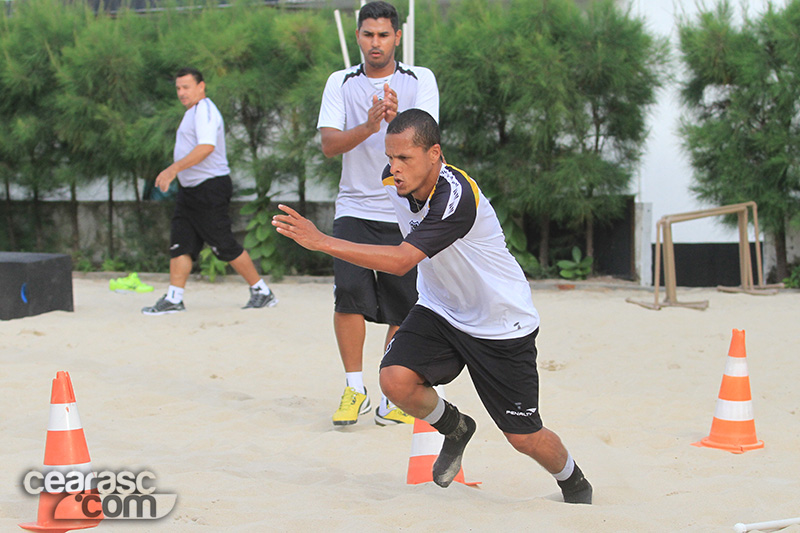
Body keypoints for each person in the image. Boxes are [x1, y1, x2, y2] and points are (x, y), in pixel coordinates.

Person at [273, 109, 592, 503]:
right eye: (390, 157)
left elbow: (402, 260)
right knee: (395, 381)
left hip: (500, 322)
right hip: (441, 308)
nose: (394, 168)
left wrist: (322, 241)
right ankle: (456, 427)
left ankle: (575, 482)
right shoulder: (393, 183)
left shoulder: (456, 198)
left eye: (405, 158)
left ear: (435, 153)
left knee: (524, 438)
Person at [317, 1, 439, 426]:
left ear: (397, 37)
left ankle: (390, 397)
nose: (375, 42)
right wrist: (369, 126)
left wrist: (394, 121)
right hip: (354, 205)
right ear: (357, 37)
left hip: (404, 210)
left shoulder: (420, 79)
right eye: (368, 34)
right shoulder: (341, 82)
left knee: (404, 306)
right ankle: (355, 388)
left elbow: (426, 145)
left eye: (383, 35)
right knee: (348, 294)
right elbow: (329, 145)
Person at [142, 67, 277, 315]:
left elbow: (206, 147)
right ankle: (174, 298)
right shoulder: (192, 112)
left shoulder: (204, 110)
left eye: (186, 87)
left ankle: (262, 291)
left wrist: (173, 169)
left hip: (210, 187)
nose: (182, 93)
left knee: (222, 244)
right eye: (178, 88)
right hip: (190, 190)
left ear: (201, 86)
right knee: (180, 242)